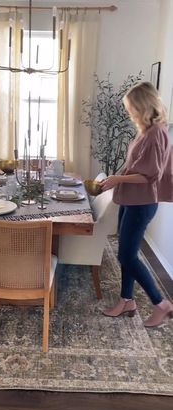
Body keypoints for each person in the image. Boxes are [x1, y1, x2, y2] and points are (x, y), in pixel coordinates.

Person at [100, 81, 173, 327]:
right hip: (131, 199)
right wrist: (115, 179)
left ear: (143, 105)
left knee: (127, 256)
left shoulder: (156, 134)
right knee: (126, 254)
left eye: (130, 107)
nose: (128, 111)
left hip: (141, 203)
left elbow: (149, 175)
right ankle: (127, 300)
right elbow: (133, 165)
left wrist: (117, 179)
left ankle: (161, 304)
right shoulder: (145, 130)